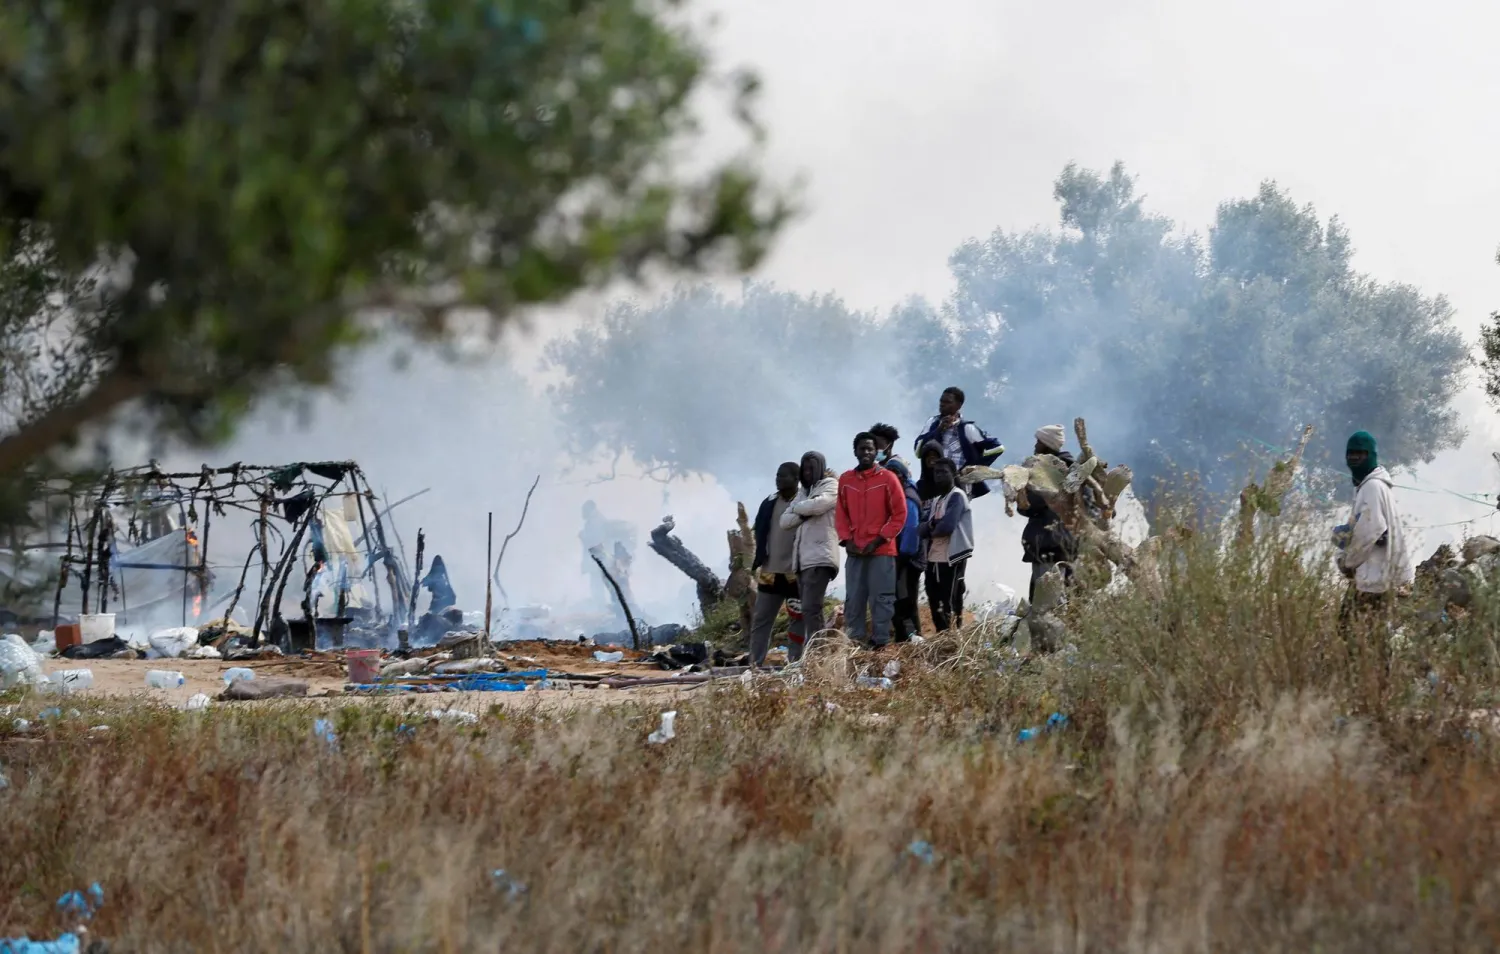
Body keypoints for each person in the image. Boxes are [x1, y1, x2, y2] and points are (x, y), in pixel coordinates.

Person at [835, 432, 908, 647]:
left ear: (876, 451)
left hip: (882, 552)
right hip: (855, 551)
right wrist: (847, 541)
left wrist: (878, 540)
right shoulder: (846, 480)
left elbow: (899, 514)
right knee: (854, 599)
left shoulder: (888, 478)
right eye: (862, 448)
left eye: (870, 448)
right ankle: (855, 643)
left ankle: (880, 643)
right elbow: (840, 513)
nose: (866, 452)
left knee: (882, 599)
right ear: (855, 451)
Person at [1338, 431, 1413, 616]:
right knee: (1368, 634)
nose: (1354, 458)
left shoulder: (1372, 487)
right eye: (1351, 454)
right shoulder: (1372, 485)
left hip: (1375, 578)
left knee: (1350, 632)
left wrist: (1348, 563)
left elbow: (1370, 531)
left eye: (1360, 454)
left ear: (1371, 456)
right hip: (1377, 575)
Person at [779, 451, 841, 659]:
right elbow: (784, 522)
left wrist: (799, 509)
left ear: (821, 467)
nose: (807, 472)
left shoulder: (830, 485)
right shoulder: (803, 493)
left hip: (821, 555)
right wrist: (803, 510)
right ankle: (816, 652)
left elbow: (820, 504)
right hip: (803, 559)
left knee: (811, 607)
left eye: (811, 468)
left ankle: (818, 654)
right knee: (808, 610)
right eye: (804, 469)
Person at [748, 462, 804, 666]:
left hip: (795, 573)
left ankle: (796, 663)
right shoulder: (769, 502)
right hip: (770, 571)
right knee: (761, 620)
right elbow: (759, 530)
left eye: (783, 476)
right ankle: (754, 664)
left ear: (796, 479)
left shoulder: (804, 501)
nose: (778, 480)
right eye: (777, 476)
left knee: (797, 619)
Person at [871, 424, 923, 640]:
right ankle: (905, 639)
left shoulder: (907, 495)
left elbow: (910, 533)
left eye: (878, 444)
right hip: (893, 554)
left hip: (904, 558)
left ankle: (911, 639)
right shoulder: (891, 486)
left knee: (904, 599)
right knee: (895, 598)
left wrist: (900, 558)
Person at [1018, 424, 1079, 602]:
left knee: (1048, 602)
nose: (1035, 446)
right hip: (1058, 544)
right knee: (1052, 598)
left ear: (1047, 445)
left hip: (1050, 544)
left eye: (1038, 442)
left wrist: (1023, 494)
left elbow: (1029, 506)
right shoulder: (1072, 471)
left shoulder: (1053, 473)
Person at [913, 387, 1004, 498]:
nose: (942, 404)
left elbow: (998, 448)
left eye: (947, 402)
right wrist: (938, 430)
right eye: (941, 401)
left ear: (959, 405)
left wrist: (973, 467)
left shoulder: (967, 428)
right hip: (932, 483)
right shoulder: (933, 423)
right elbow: (918, 451)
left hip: (958, 486)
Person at [921, 458, 974, 631]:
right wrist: (933, 525)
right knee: (933, 597)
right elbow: (920, 529)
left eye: (944, 472)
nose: (939, 476)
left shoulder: (957, 496)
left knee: (950, 598)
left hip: (952, 556)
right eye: (936, 472)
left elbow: (947, 526)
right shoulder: (937, 500)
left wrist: (932, 526)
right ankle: (941, 636)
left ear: (953, 474)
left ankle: (952, 638)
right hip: (934, 556)